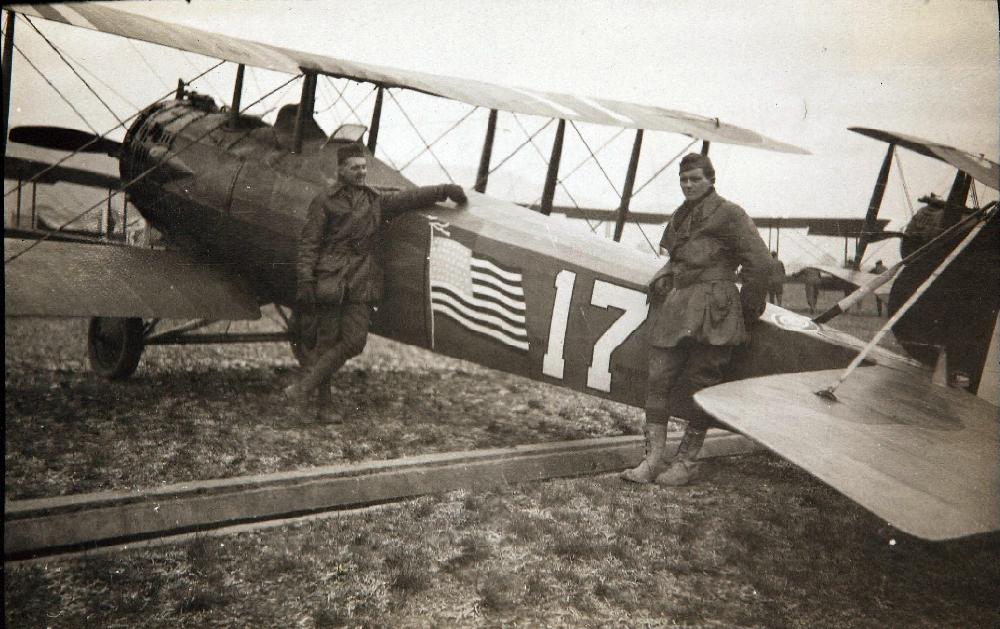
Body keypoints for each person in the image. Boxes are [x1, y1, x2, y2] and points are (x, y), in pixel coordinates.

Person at [284, 142, 467, 421]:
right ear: (341, 170)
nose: (361, 172)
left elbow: (409, 198)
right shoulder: (324, 201)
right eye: (355, 168)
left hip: (360, 280)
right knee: (326, 343)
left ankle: (301, 389)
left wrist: (443, 190)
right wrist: (306, 282)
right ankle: (324, 406)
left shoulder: (374, 200)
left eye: (363, 167)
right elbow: (309, 244)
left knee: (355, 341)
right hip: (330, 279)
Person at [621, 153, 771, 486]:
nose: (688, 185)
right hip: (678, 305)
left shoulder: (730, 214)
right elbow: (677, 258)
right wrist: (666, 274)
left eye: (695, 179)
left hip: (714, 309)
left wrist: (746, 310)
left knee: (702, 384)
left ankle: (686, 463)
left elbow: (762, 264)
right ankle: (652, 460)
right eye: (683, 180)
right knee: (658, 377)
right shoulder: (680, 216)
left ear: (711, 180)